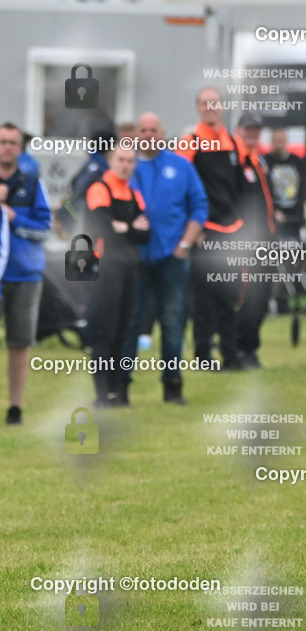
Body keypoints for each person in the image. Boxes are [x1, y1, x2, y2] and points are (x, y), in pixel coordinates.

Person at [124, 113, 208, 404]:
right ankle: (120, 386)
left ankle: (172, 386)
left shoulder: (181, 166)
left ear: (163, 133)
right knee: (131, 322)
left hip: (172, 257)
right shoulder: (127, 166)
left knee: (172, 321)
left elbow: (199, 207)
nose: (148, 135)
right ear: (136, 134)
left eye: (154, 130)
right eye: (143, 130)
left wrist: (184, 243)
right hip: (135, 258)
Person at [179, 86, 248, 370]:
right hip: (204, 229)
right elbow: (180, 189)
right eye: (205, 104)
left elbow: (242, 188)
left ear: (222, 107)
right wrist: (192, 230)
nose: (211, 108)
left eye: (215, 103)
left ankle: (231, 356)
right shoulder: (189, 142)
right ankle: (203, 356)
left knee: (229, 295)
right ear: (198, 108)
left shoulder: (234, 142)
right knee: (204, 296)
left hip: (231, 230)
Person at [85, 147, 150, 406]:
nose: (125, 165)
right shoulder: (99, 189)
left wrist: (125, 228)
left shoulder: (134, 194)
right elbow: (103, 230)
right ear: (111, 161)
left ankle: (117, 391)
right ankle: (102, 393)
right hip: (105, 269)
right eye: (120, 160)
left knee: (124, 331)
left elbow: (146, 234)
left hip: (129, 268)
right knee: (105, 330)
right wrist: (130, 228)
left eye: (130, 161)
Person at [0, 122, 51, 425]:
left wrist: (14, 216)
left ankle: (15, 407)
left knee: (19, 342)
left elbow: (44, 228)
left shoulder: (32, 182)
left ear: (20, 147)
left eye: (12, 142)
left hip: (24, 273)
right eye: (2, 141)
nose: (6, 147)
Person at [234, 113, 277, 369]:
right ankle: (241, 347)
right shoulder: (236, 160)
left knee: (262, 295)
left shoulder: (259, 160)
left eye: (256, 131)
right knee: (247, 294)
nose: (252, 135)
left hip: (266, 240)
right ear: (239, 130)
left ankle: (250, 345)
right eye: (248, 130)